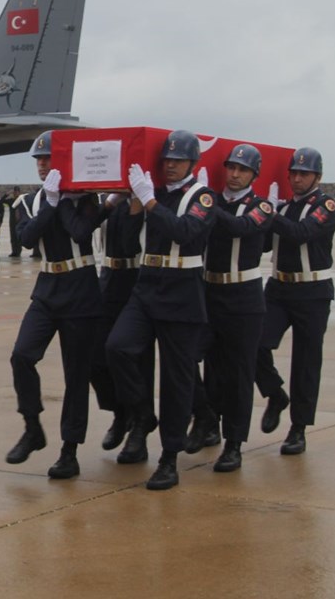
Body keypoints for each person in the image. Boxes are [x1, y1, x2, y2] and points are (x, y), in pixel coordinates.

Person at [106, 129, 216, 490]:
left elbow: (186, 232)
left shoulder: (203, 196)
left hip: (182, 291)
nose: (170, 166)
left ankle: (169, 458)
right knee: (118, 347)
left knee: (176, 379)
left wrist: (149, 202)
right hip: (148, 283)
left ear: (192, 163)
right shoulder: (150, 193)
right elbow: (124, 242)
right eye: (166, 160)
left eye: (178, 161)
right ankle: (141, 413)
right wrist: (135, 206)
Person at [5, 131, 104, 479]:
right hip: (47, 288)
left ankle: (69, 450)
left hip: (80, 289)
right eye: (38, 159)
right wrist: (49, 200)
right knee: (22, 355)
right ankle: (32, 427)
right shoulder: (28, 202)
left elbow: (80, 233)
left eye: (48, 158)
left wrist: (61, 199)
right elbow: (28, 238)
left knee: (76, 376)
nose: (42, 164)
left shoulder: (85, 199)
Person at [189, 145, 275, 471]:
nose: (235, 174)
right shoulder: (212, 200)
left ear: (255, 174)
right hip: (209, 290)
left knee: (239, 373)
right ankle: (206, 417)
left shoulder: (262, 206)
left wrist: (207, 206)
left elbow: (244, 229)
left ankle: (234, 443)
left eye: (243, 169)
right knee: (190, 358)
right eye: (231, 168)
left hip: (244, 297)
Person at [256, 147, 335, 456]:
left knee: (306, 361)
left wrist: (270, 214)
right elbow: (265, 245)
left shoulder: (326, 205)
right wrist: (261, 216)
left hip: (312, 292)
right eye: (294, 173)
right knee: (255, 343)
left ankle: (298, 428)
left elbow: (302, 233)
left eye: (304, 174)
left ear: (317, 176)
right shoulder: (284, 207)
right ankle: (275, 393)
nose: (297, 178)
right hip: (279, 289)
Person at [82, 192, 156, 459]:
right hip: (108, 278)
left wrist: (137, 201)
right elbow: (82, 229)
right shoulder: (105, 199)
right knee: (93, 356)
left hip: (137, 280)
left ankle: (140, 424)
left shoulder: (148, 197)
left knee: (136, 359)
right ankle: (120, 411)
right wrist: (110, 202)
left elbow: (129, 244)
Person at [1, 185, 23, 257]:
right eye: (14, 192)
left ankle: (18, 251)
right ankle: (14, 251)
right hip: (12, 222)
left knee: (18, 237)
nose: (15, 193)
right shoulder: (11, 201)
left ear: (19, 192)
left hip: (20, 221)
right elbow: (2, 201)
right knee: (13, 237)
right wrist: (6, 194)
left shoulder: (22, 200)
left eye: (17, 192)